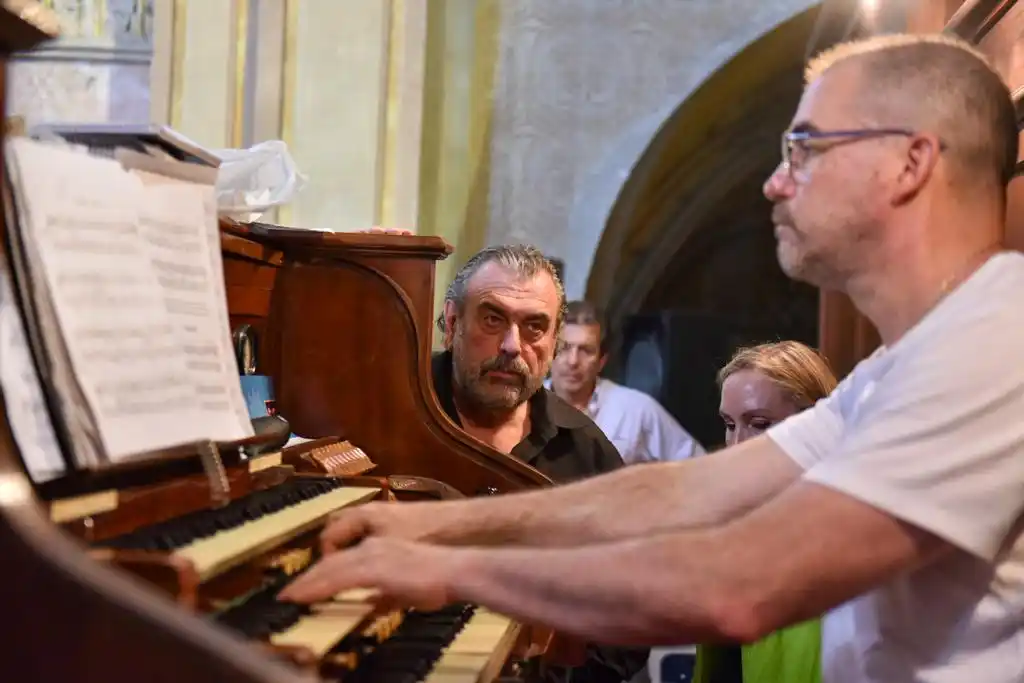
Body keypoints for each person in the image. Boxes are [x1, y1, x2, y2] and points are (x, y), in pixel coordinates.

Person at [281, 33, 1024, 682]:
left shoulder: (996, 342)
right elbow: (684, 494)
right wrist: (428, 526)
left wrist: (445, 569)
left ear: (910, 162)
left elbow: (736, 584)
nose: (775, 180)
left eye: (805, 148)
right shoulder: (897, 368)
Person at [428, 243, 648, 683]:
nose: (512, 347)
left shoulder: (587, 454)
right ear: (452, 323)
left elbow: (631, 618)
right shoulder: (391, 413)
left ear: (552, 341)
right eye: (492, 319)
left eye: (534, 327)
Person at [693, 341, 837, 683]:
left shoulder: (849, 526)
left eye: (758, 423)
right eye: (729, 425)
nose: (738, 445)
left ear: (814, 424)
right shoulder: (730, 527)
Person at [547, 300, 705, 464]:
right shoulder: (524, 404)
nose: (573, 361)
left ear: (602, 361)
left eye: (586, 350)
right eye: (564, 348)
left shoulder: (637, 410)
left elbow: (697, 463)